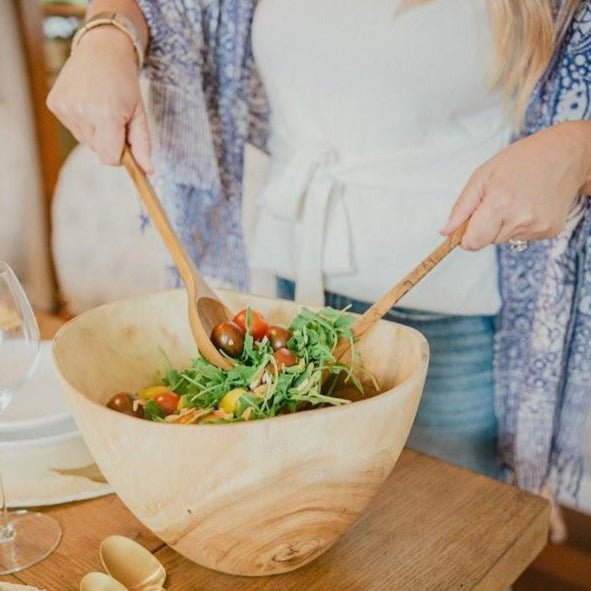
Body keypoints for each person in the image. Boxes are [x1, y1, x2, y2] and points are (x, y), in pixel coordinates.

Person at [47, 0, 591, 542]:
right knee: (310, 544)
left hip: (453, 318)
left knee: (451, 550)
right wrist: (108, 32)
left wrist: (577, 150)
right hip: (292, 295)